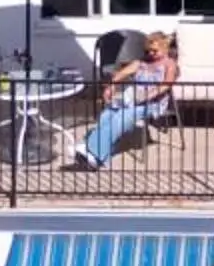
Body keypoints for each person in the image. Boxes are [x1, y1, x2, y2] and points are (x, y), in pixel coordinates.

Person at [73, 33, 177, 167]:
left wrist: (147, 96)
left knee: (122, 116)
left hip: (153, 102)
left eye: (155, 51)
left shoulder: (169, 64)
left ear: (165, 48)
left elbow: (166, 84)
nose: (151, 53)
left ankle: (91, 150)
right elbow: (120, 74)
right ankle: (97, 155)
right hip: (133, 98)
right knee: (107, 114)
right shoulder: (141, 62)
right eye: (148, 50)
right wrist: (110, 87)